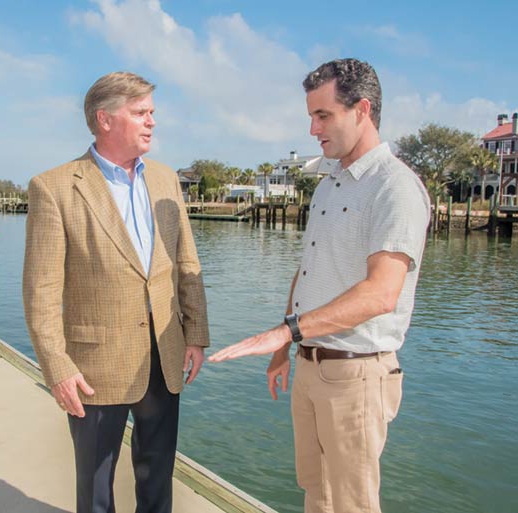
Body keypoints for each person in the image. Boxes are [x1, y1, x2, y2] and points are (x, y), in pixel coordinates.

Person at [209, 58, 430, 513]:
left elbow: (381, 293)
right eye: (311, 115)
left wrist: (284, 333)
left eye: (323, 115)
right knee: (316, 495)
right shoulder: (329, 185)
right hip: (311, 365)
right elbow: (307, 271)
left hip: (357, 375)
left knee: (351, 504)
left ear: (362, 110)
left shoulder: (396, 188)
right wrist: (283, 349)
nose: (313, 128)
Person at [22, 71, 210, 513]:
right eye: (141, 112)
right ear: (105, 120)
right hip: (93, 367)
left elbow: (187, 262)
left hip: (164, 353)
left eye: (152, 113)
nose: (152, 122)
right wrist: (57, 365)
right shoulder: (54, 188)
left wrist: (196, 334)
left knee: (157, 474)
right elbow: (40, 290)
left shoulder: (165, 181)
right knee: (97, 486)